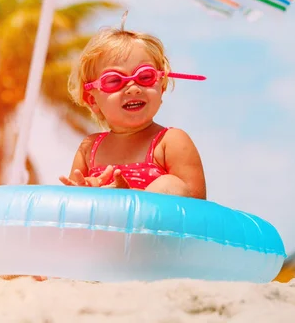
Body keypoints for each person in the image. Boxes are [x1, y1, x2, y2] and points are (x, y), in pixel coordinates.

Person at [59, 11, 207, 200]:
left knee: (171, 184)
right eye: (114, 81)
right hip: (106, 228)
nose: (133, 88)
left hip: (156, 227)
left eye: (145, 77)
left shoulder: (170, 142)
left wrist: (130, 198)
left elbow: (199, 212)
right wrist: (87, 190)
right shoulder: (88, 149)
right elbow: (71, 211)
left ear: (161, 87)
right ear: (93, 100)